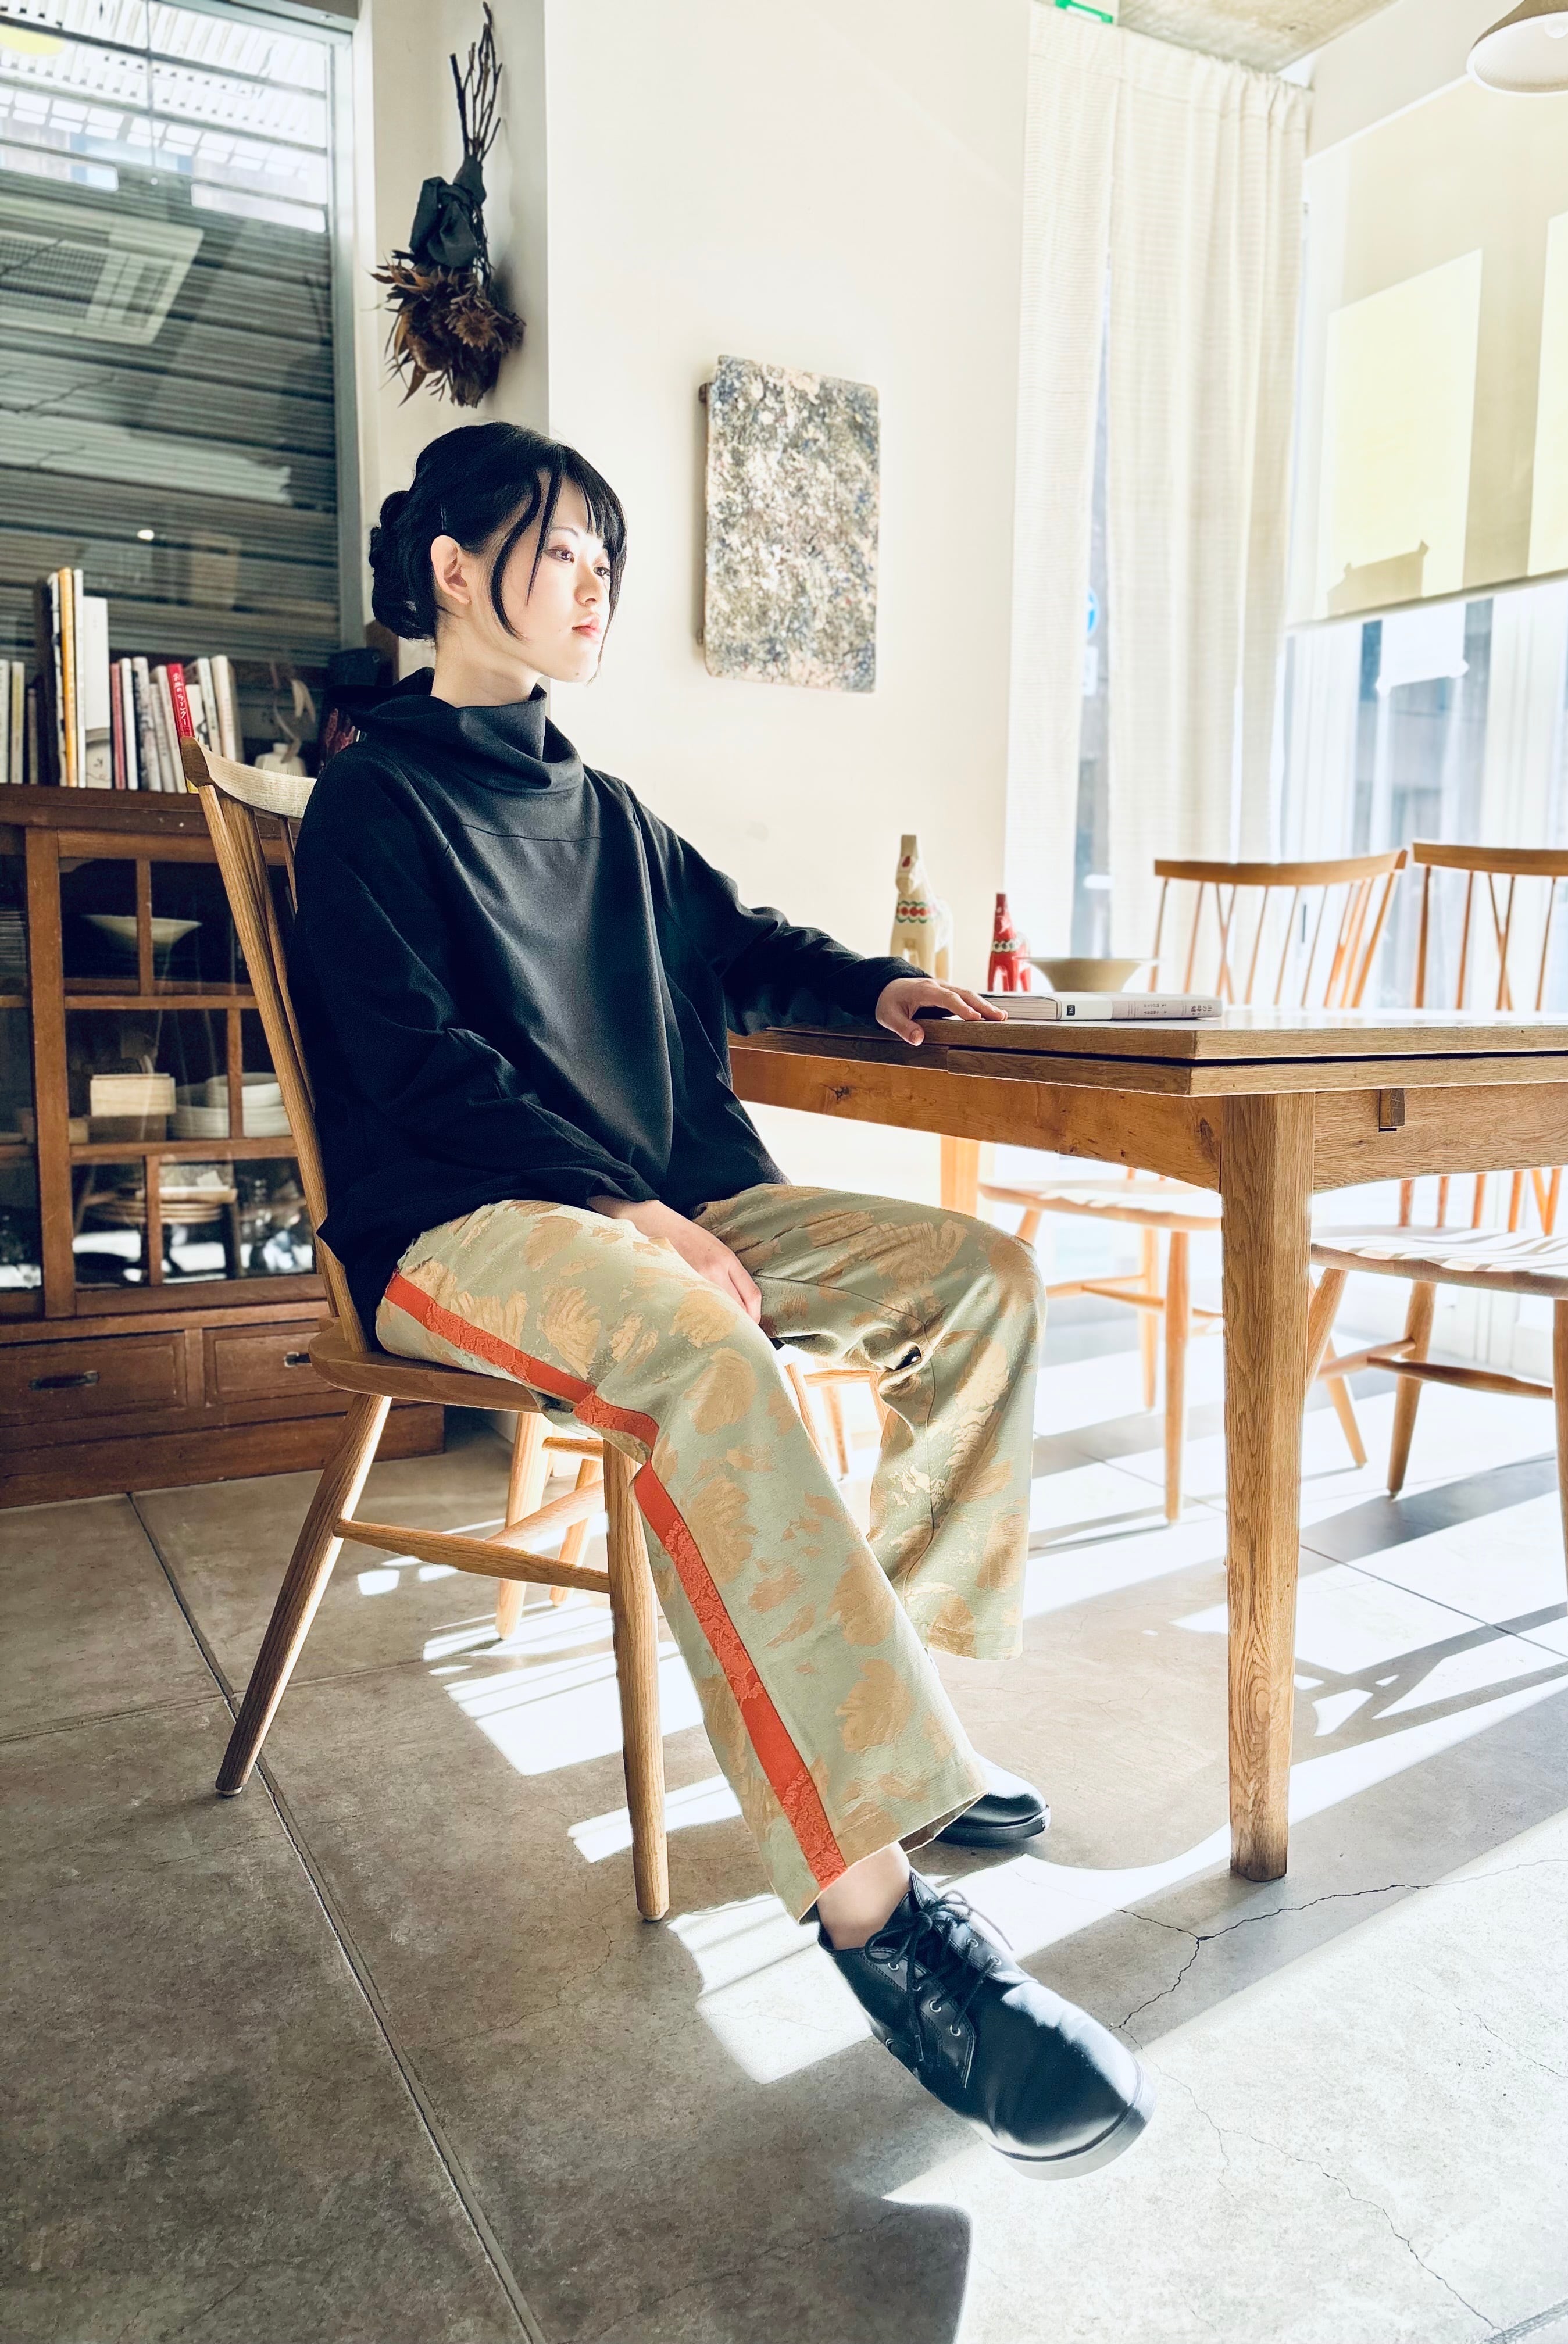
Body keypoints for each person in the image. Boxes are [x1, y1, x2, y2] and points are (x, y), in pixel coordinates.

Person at [290, 420, 1152, 2178]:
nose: (595, 584)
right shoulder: (373, 802)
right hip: (463, 1226)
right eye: (562, 550)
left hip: (663, 1204)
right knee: (702, 1342)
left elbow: (740, 942)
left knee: (979, 1279)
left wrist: (884, 984)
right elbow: (413, 1063)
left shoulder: (603, 810)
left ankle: (892, 1728)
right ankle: (889, 1931)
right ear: (452, 568)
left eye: (608, 559)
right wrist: (620, 1205)